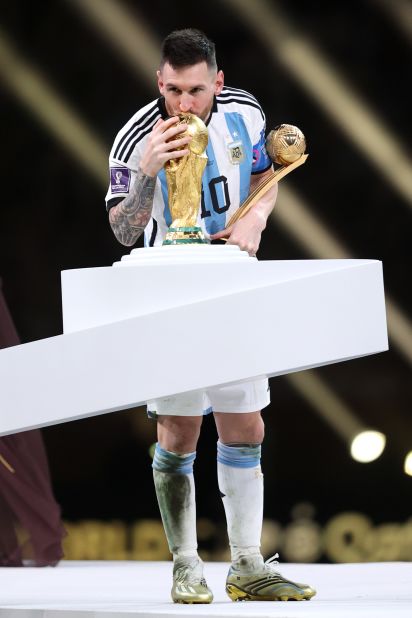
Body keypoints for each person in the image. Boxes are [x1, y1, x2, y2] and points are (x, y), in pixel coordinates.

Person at [105, 29, 315, 604]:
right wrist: (147, 169)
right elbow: (122, 229)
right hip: (167, 294)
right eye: (172, 89)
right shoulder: (133, 139)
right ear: (159, 80)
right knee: (178, 429)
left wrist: (256, 219)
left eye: (195, 90)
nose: (183, 104)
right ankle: (185, 566)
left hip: (232, 285)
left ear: (217, 82)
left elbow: (264, 179)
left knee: (246, 422)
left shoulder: (245, 113)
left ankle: (247, 566)